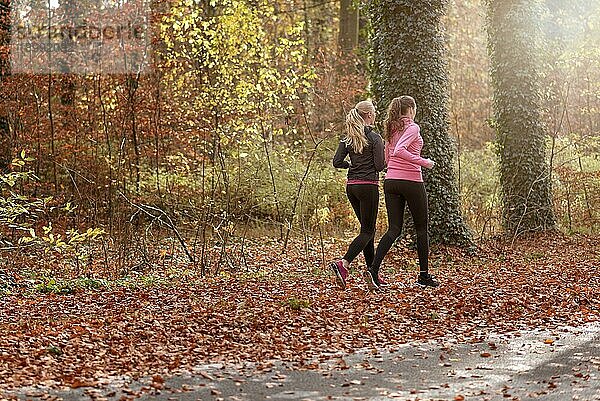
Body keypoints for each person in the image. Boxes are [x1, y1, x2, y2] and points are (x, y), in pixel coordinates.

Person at [364, 96, 439, 290]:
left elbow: (388, 156)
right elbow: (399, 150)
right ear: (411, 109)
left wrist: (394, 170)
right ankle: (423, 276)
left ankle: (372, 271)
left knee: (394, 229)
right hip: (411, 180)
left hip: (391, 181)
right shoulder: (413, 128)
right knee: (421, 228)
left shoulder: (392, 128)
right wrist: (424, 162)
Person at [330, 100, 385, 289]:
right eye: (374, 112)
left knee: (366, 230)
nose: (376, 114)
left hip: (352, 187)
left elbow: (337, 161)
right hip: (368, 186)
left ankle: (373, 275)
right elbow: (379, 166)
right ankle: (344, 263)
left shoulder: (348, 137)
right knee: (368, 231)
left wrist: (349, 165)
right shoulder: (375, 138)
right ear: (369, 115)